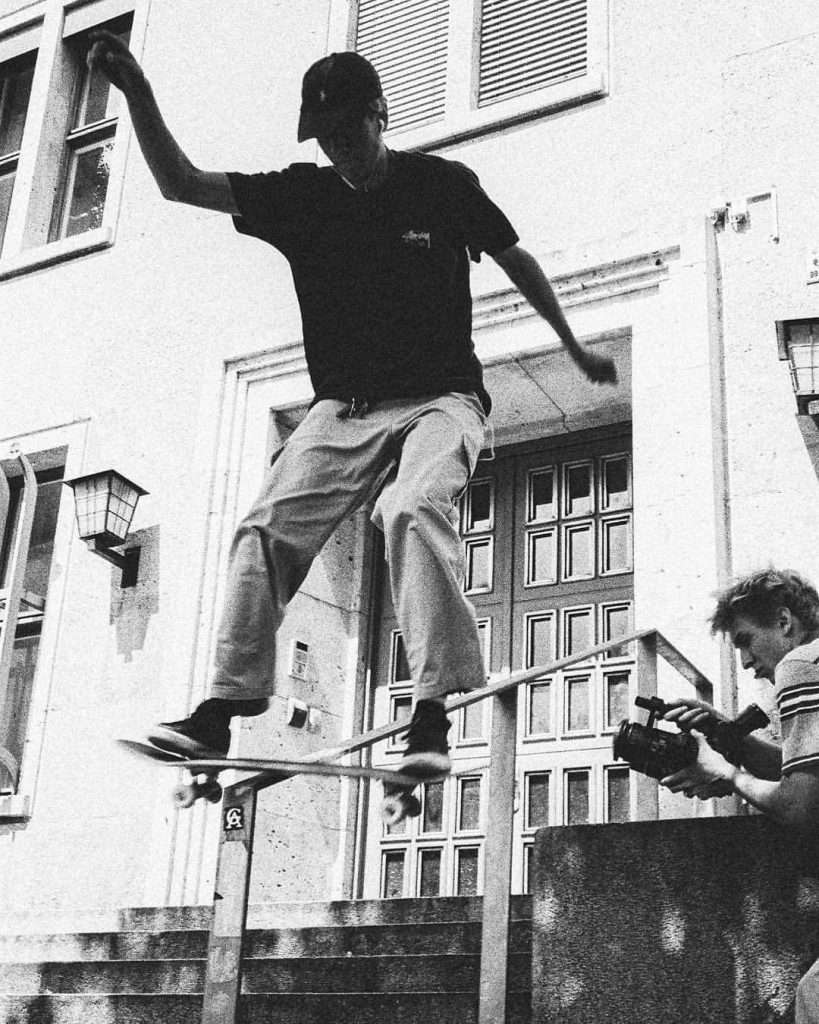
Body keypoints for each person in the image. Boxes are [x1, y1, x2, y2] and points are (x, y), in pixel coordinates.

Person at [88, 34, 617, 781]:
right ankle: (220, 713)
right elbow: (180, 183)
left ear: (381, 114)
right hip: (341, 409)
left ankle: (431, 708)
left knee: (406, 509)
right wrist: (138, 89)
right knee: (262, 529)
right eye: (325, 139)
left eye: (349, 133)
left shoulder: (442, 184)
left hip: (442, 399)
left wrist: (571, 346)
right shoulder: (298, 196)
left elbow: (515, 258)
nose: (339, 151)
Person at [661, 568, 819, 1023]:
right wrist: (726, 734)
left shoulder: (800, 666)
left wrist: (727, 774)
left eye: (747, 641)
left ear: (784, 621)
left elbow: (801, 806)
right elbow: (803, 771)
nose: (746, 661)